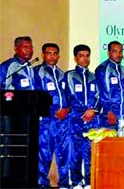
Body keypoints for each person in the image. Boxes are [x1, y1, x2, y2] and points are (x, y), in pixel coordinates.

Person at [34, 43, 70, 188]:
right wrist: (54, 111)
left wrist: (67, 109)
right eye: (49, 53)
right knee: (44, 154)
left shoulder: (62, 73)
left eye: (55, 53)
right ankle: (41, 184)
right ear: (43, 55)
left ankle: (65, 184)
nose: (52, 56)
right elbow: (37, 96)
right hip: (47, 121)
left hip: (63, 121)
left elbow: (68, 95)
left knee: (65, 153)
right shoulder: (37, 72)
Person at [63, 44, 100, 189]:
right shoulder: (69, 75)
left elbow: (99, 96)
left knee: (91, 153)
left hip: (92, 121)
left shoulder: (94, 77)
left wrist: (93, 111)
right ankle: (77, 182)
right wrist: (83, 113)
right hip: (75, 121)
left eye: (87, 55)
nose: (85, 59)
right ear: (75, 58)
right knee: (75, 153)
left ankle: (90, 182)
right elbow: (69, 97)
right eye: (81, 55)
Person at [95, 41, 124, 128]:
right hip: (110, 116)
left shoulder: (123, 70)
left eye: (120, 52)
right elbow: (102, 92)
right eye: (115, 51)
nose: (118, 54)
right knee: (110, 140)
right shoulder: (103, 69)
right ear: (108, 53)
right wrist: (109, 111)